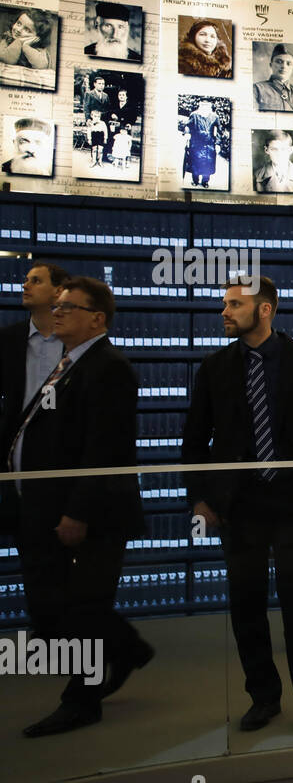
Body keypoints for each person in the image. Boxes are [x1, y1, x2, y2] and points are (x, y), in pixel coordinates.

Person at [182, 277, 293, 736]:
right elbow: (195, 441)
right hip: (240, 507)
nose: (225, 311)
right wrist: (199, 496)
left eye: (235, 304)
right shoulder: (214, 367)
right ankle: (264, 697)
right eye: (224, 304)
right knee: (246, 605)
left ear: (266, 310)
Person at [13, 277, 151, 737]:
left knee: (82, 605)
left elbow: (104, 450)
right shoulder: (69, 363)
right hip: (50, 506)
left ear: (97, 319)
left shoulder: (108, 367)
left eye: (68, 307)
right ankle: (126, 648)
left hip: (94, 513)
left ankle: (82, 700)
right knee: (61, 606)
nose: (57, 312)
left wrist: (78, 511)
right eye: (58, 305)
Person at [0, 262, 70, 542]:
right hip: (18, 466)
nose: (25, 286)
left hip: (65, 463)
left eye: (36, 281)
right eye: (26, 280)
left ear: (58, 293)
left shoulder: (75, 340)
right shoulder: (8, 340)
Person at [253, 44, 293, 113]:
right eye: (279, 62)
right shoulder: (257, 89)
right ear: (271, 65)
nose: (284, 66)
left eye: (288, 63)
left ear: (292, 68)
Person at [184, 98, 221, 188]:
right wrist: (187, 135)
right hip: (196, 144)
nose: (205, 106)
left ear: (210, 106)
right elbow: (187, 126)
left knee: (208, 164)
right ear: (200, 105)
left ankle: (205, 182)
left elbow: (219, 131)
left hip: (209, 145)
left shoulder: (215, 116)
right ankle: (195, 180)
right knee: (195, 163)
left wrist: (218, 144)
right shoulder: (194, 115)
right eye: (203, 105)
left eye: (207, 105)